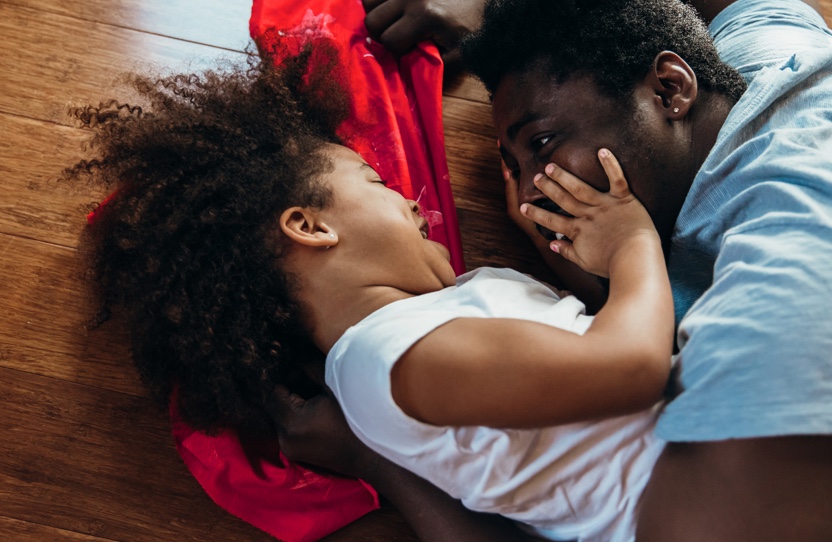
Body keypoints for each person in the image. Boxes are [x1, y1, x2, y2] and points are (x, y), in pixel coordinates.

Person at [66, 40, 679, 541]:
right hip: (697, 484)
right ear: (310, 227)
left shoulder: (419, 332)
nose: (415, 203)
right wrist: (632, 242)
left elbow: (588, 342)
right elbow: (629, 366)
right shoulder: (388, 354)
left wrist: (557, 246)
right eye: (377, 181)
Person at [275, 0, 832, 540]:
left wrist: (382, 461)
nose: (529, 193)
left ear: (669, 89)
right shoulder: (767, 55)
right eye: (515, 168)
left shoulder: (787, 277)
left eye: (542, 143)